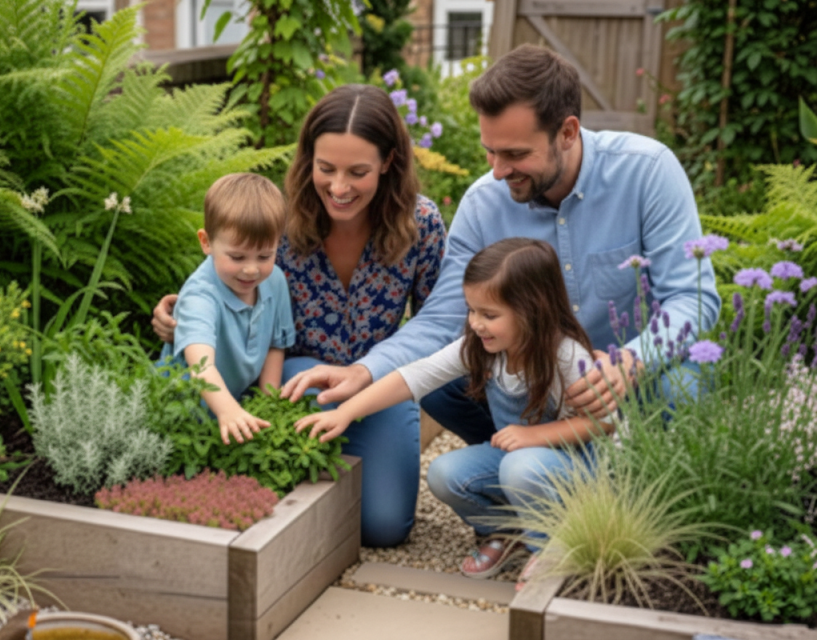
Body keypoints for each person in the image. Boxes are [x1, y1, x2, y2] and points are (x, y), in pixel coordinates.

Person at [279, 43, 720, 564]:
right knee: (444, 388)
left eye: (514, 154)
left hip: (631, 391)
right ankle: (539, 492)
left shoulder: (646, 171)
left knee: (684, 380)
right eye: (490, 151)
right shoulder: (484, 203)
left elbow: (692, 299)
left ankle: (650, 516)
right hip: (537, 396)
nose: (496, 170)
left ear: (568, 132)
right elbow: (444, 322)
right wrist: (365, 372)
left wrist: (630, 361)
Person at [153, 84, 446, 547]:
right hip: (297, 381)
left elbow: (438, 324)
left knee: (385, 527)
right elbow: (220, 277)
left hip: (378, 382)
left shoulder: (420, 224)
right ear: (308, 158)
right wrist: (178, 315)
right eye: (325, 168)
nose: (339, 187)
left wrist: (373, 376)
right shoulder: (281, 222)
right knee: (273, 494)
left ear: (389, 162)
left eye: (358, 172)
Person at [295, 238, 613, 577]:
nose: (476, 323)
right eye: (471, 310)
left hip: (579, 470)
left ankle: (552, 549)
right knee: (445, 474)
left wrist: (534, 435)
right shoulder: (482, 345)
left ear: (533, 310)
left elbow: (602, 423)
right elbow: (416, 375)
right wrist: (346, 411)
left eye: (489, 315)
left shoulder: (565, 356)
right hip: (521, 458)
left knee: (519, 466)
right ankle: (510, 532)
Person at [160, 173, 295, 446]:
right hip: (181, 410)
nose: (251, 269)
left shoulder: (275, 281)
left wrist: (268, 405)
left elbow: (274, 346)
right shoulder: (200, 295)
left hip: (232, 404)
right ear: (206, 242)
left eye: (265, 256)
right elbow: (201, 364)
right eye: (237, 257)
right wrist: (228, 410)